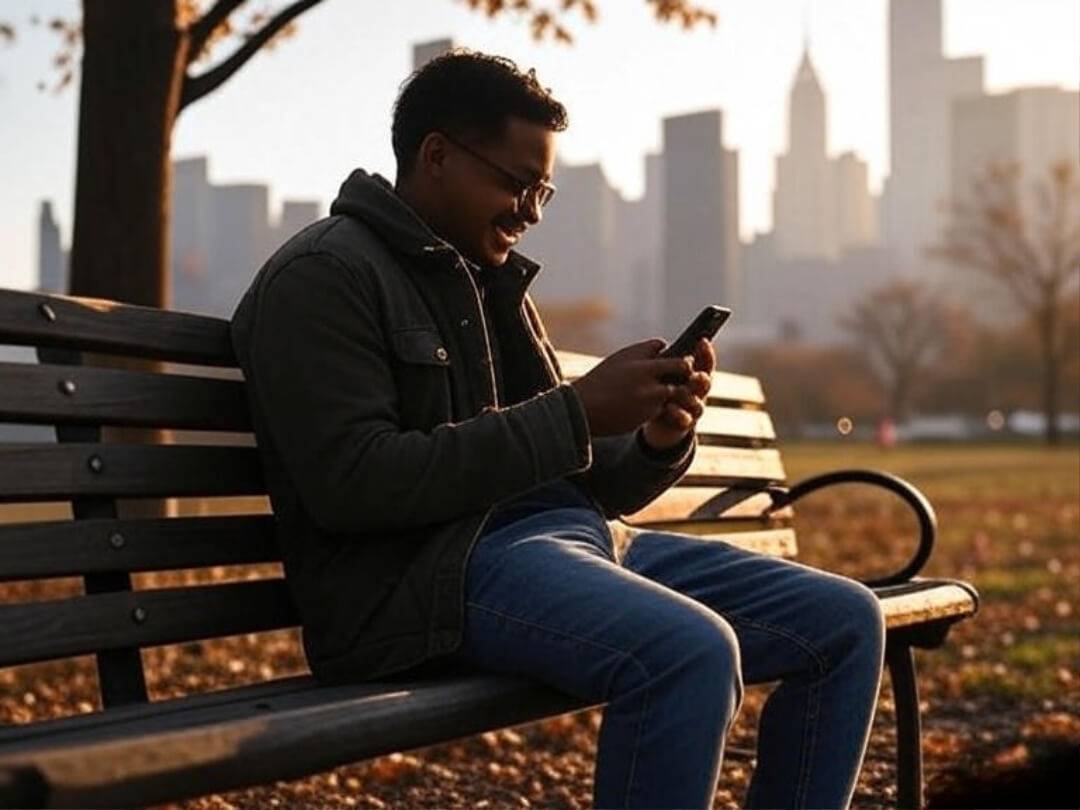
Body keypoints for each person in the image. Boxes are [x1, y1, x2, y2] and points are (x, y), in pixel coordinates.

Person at [229, 49, 886, 810]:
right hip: (428, 582)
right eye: (515, 183)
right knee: (688, 653)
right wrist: (576, 412)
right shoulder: (323, 275)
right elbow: (354, 484)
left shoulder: (490, 279)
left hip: (573, 543)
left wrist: (656, 436)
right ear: (436, 156)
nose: (531, 211)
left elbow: (586, 485)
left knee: (845, 622)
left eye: (542, 190)